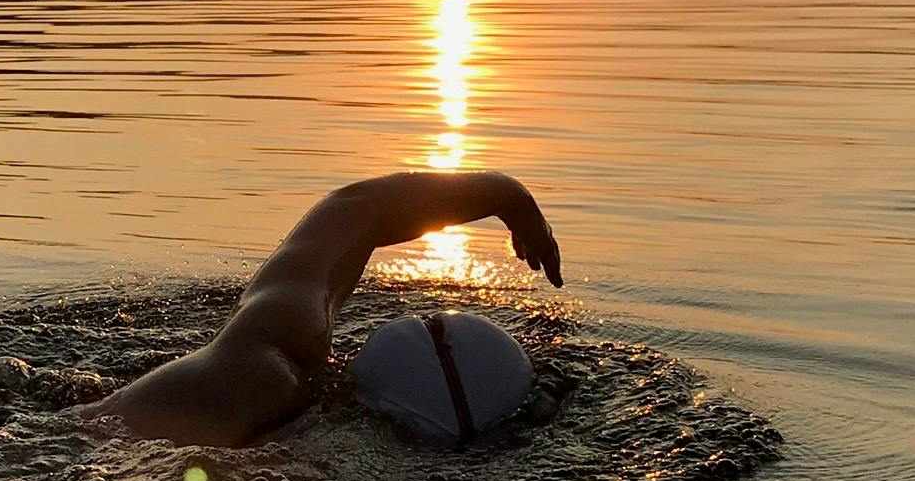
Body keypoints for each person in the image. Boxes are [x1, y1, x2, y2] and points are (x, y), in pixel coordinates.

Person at [73, 170, 563, 447]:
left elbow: (355, 209)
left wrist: (507, 195)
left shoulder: (266, 365)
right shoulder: (288, 397)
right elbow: (358, 212)